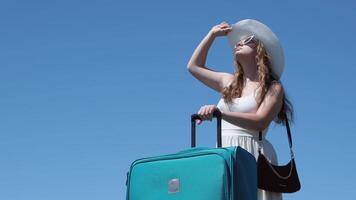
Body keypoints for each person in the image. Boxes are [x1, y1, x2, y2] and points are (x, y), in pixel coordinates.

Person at [187, 19, 294, 200]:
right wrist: (212, 34)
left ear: (261, 50)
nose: (239, 42)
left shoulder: (273, 87)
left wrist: (219, 113)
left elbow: (260, 121)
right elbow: (193, 67)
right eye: (238, 41)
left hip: (254, 155)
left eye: (247, 40)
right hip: (224, 152)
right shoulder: (228, 82)